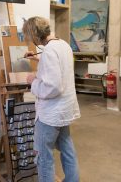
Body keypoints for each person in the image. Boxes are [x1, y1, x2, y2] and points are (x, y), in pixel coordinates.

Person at [22, 16, 81, 182]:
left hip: (50, 115)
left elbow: (53, 87)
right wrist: (38, 59)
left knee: (43, 157)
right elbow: (59, 65)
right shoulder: (63, 45)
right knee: (68, 151)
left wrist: (33, 82)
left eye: (29, 36)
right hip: (64, 111)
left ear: (34, 34)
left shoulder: (49, 51)